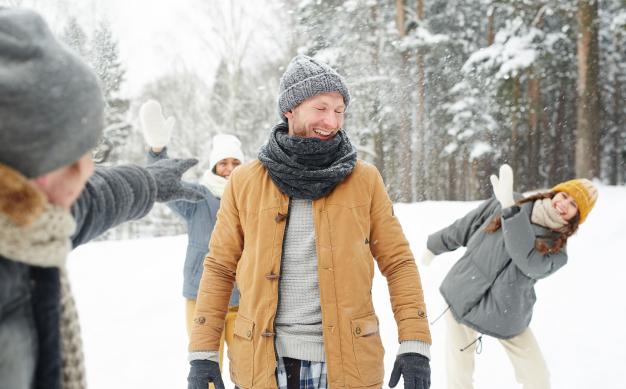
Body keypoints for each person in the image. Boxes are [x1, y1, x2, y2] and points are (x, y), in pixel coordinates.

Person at [186, 55, 432, 389]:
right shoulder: (245, 181)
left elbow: (399, 262)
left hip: (348, 365)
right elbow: (218, 267)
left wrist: (415, 342)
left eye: (339, 110)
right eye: (321, 108)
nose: (331, 121)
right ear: (290, 109)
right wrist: (203, 353)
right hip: (262, 365)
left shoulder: (364, 180)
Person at [0, 8, 201, 389]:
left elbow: (93, 200)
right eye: (71, 157)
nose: (85, 171)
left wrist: (149, 182)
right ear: (20, 166)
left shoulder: (31, 223)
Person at [421, 164, 598, 389]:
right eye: (564, 195)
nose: (563, 204)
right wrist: (434, 245)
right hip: (461, 293)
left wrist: (509, 211)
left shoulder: (557, 250)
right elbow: (466, 226)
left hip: (506, 313)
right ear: (554, 192)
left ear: (576, 218)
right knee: (459, 376)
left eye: (573, 205)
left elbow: (528, 261)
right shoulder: (510, 200)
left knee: (538, 379)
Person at [139, 100, 244, 375]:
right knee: (206, 369)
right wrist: (157, 151)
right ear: (213, 166)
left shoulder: (251, 198)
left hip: (243, 298)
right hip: (201, 297)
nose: (229, 168)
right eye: (223, 163)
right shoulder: (198, 197)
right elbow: (164, 184)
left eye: (235, 162)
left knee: (250, 369)